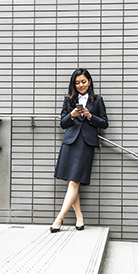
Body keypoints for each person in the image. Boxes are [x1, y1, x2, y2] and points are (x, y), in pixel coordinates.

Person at [50, 68, 109, 232]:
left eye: (83, 81)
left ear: (89, 82)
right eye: (77, 83)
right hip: (70, 142)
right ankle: (79, 218)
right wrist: (72, 115)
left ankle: (59, 218)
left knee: (74, 181)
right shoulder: (69, 100)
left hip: (86, 143)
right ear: (73, 84)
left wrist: (90, 116)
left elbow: (104, 123)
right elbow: (62, 123)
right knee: (71, 181)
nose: (81, 85)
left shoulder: (97, 100)